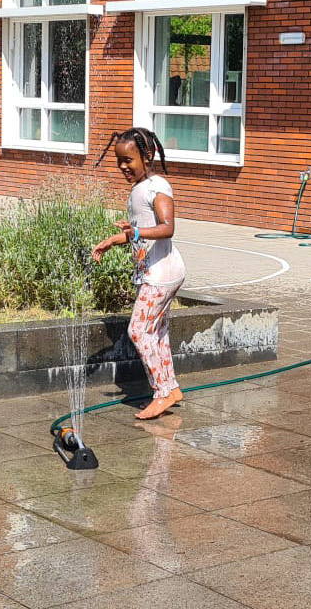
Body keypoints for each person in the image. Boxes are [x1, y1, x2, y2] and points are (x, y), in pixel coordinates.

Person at [92, 127, 187, 420]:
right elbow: (142, 229)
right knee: (157, 333)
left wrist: (132, 233)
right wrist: (123, 234)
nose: (123, 167)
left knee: (138, 330)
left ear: (148, 156)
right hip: (160, 271)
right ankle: (171, 388)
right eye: (119, 161)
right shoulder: (141, 189)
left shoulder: (158, 187)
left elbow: (167, 227)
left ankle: (161, 392)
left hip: (161, 273)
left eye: (128, 160)